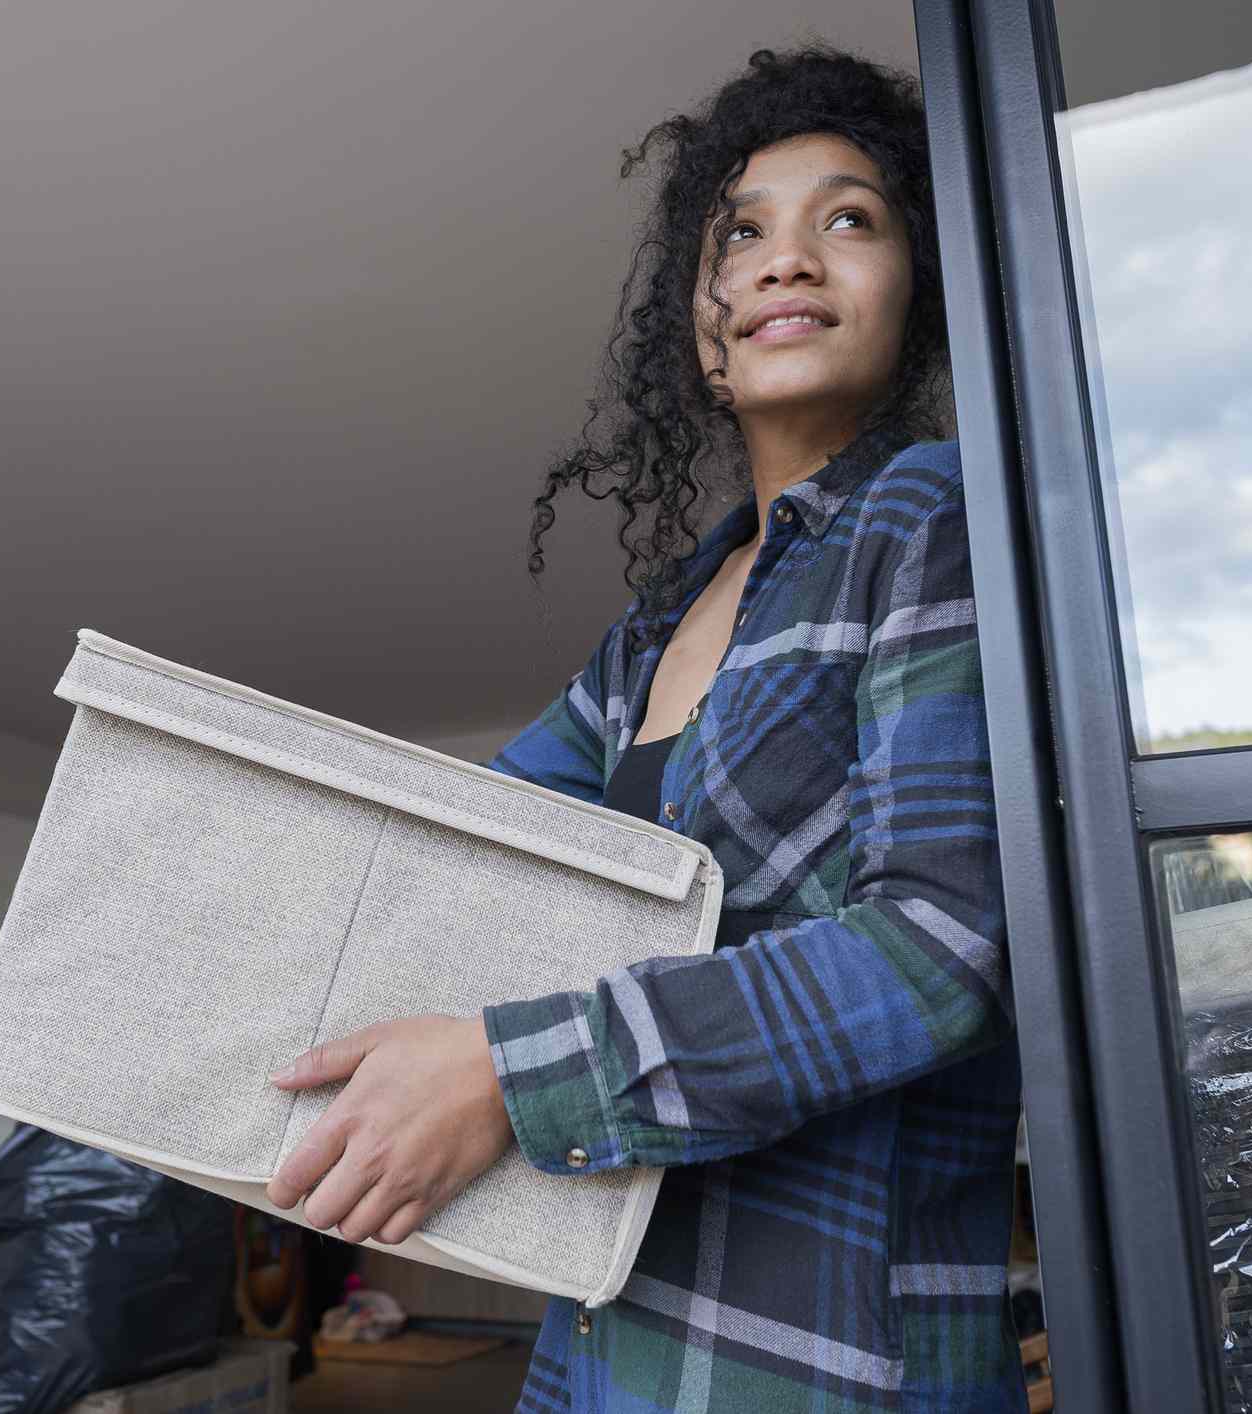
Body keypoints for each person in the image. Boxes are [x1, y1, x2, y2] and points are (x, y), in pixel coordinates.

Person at [262, 46, 1021, 1412]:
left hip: (817, 1369)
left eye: (849, 219)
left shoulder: (935, 521)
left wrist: (514, 1071)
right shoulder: (649, 632)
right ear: (705, 325)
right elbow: (459, 858)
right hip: (602, 1344)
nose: (789, 259)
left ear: (918, 291)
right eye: (746, 232)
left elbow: (935, 955)